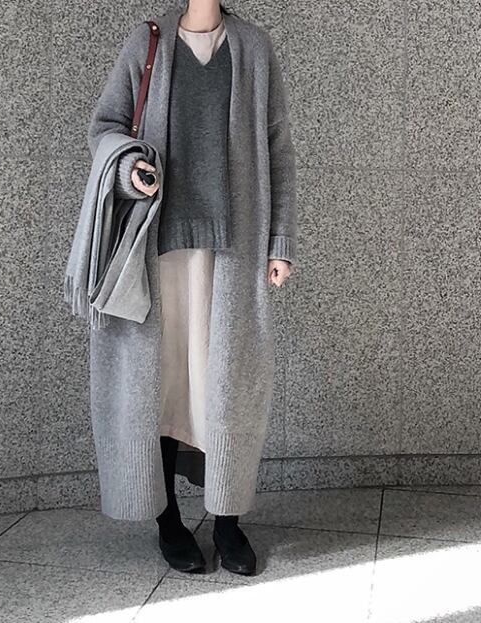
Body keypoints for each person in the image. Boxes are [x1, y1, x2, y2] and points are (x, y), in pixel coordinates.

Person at [84, 0, 297, 577]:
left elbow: (278, 147)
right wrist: (128, 170)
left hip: (231, 254)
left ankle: (227, 521)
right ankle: (168, 520)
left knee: (222, 389)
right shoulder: (148, 41)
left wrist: (280, 241)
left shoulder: (253, 47)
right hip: (158, 253)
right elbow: (105, 127)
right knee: (161, 388)